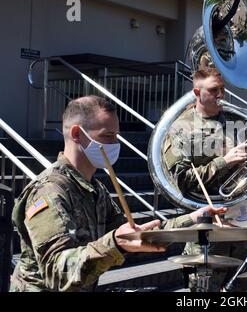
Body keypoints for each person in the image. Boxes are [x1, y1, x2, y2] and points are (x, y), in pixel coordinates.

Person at [10, 95, 225, 292]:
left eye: (116, 136)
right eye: (107, 136)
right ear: (77, 134)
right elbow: (56, 273)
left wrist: (195, 219)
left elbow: (133, 235)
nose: (115, 144)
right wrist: (115, 242)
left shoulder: (94, 189)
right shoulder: (49, 191)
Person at [164, 68, 247, 292]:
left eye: (223, 89)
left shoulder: (237, 120)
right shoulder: (181, 128)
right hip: (209, 229)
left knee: (244, 290)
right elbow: (180, 181)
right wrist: (224, 161)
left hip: (244, 224)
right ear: (197, 92)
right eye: (213, 90)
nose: (221, 95)